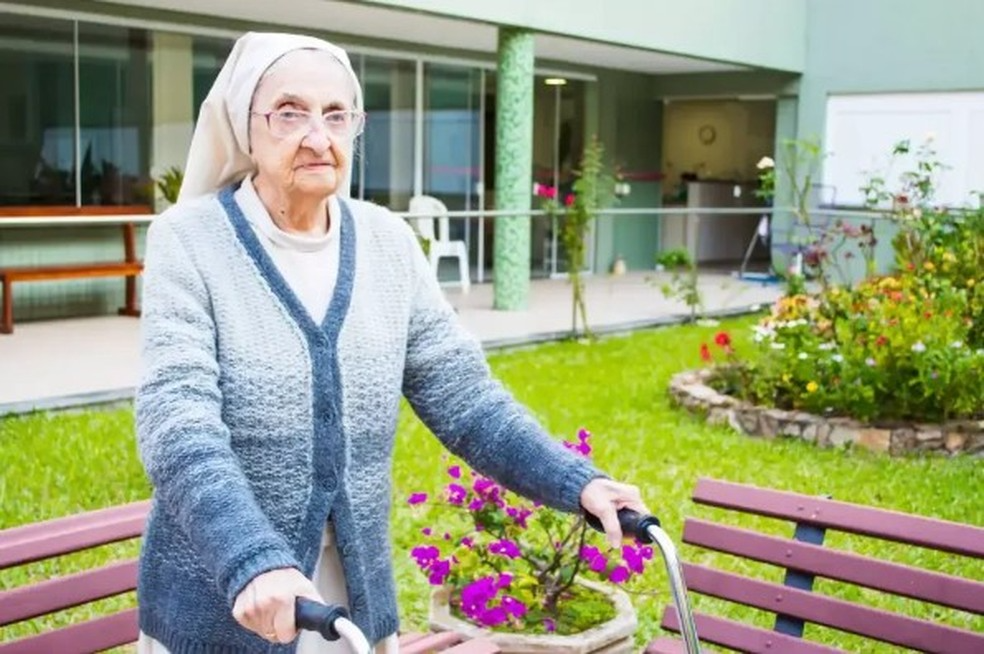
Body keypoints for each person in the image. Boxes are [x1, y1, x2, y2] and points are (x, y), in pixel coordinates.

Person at [134, 31, 647, 653]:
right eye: (290, 113)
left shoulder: (387, 242)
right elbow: (178, 421)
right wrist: (251, 558)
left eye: (336, 115)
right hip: (229, 601)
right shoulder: (188, 240)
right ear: (246, 125)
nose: (318, 137)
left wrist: (577, 481)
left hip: (350, 605)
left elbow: (465, 400)